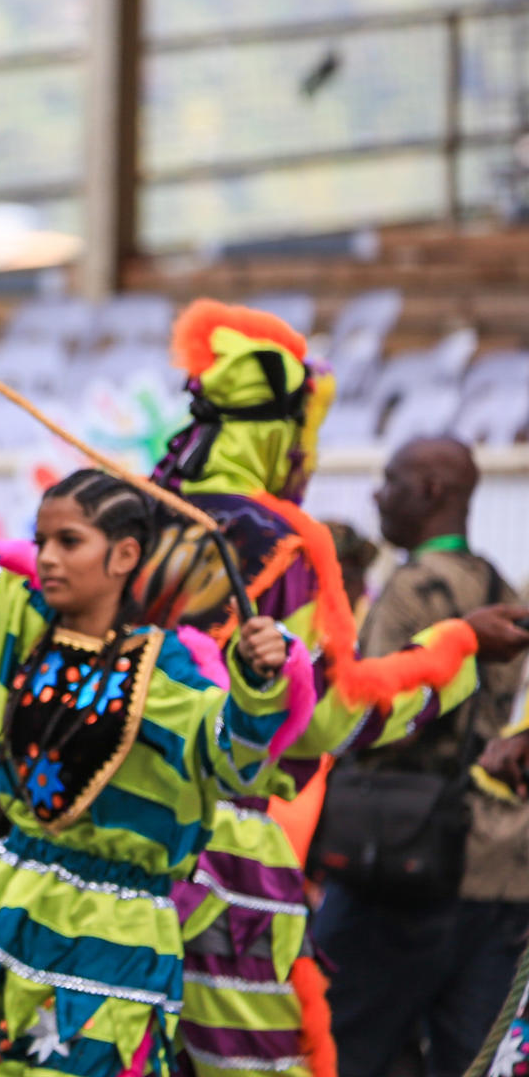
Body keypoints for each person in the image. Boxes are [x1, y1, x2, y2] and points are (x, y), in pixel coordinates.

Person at [143, 303, 529, 1077]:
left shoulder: (137, 514)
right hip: (225, 862)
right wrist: (457, 646)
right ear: (282, 434)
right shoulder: (283, 541)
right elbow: (331, 714)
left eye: (388, 480)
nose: (362, 491)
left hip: (100, 857)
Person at [0, 468, 305, 1077]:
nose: (48, 558)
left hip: (114, 942)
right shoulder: (16, 626)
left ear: (125, 555)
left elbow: (234, 761)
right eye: (41, 541)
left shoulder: (164, 670)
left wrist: (258, 684)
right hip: (10, 907)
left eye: (70, 541)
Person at [311, 437, 529, 1077]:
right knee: (470, 1056)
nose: (379, 494)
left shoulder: (411, 589)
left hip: (405, 858)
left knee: (337, 1044)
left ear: (431, 491)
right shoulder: (496, 580)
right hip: (497, 865)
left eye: (392, 480)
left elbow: (376, 716)